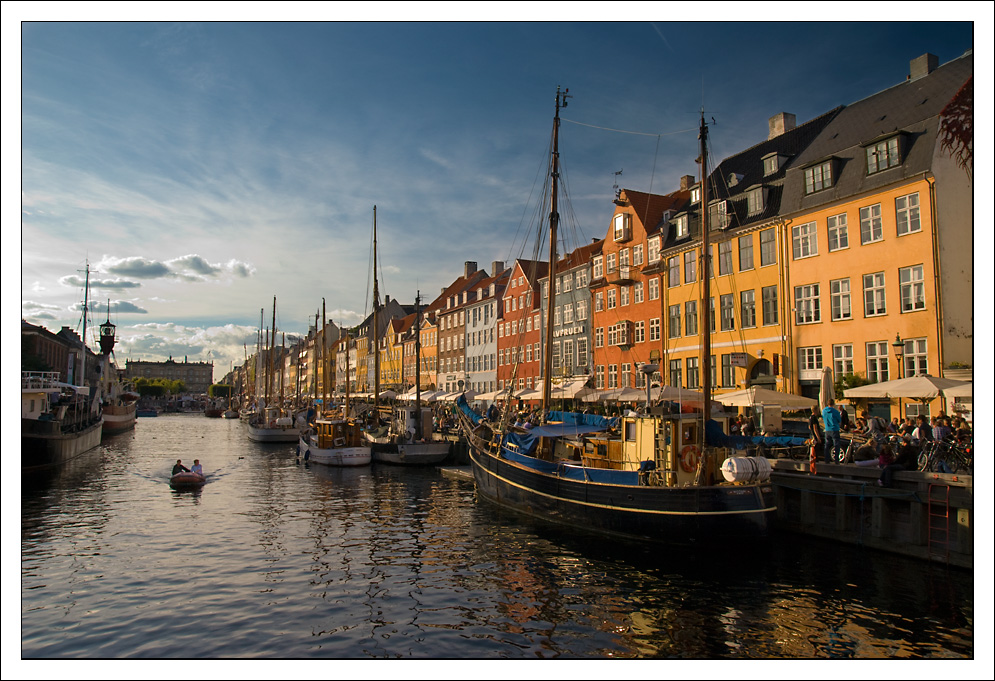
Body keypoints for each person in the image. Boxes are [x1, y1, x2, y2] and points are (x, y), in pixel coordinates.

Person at [822, 399, 842, 463]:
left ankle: (826, 459)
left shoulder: (824, 411)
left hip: (827, 429)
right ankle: (836, 459)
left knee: (827, 445)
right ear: (833, 404)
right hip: (834, 429)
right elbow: (839, 420)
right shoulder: (835, 412)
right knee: (836, 445)